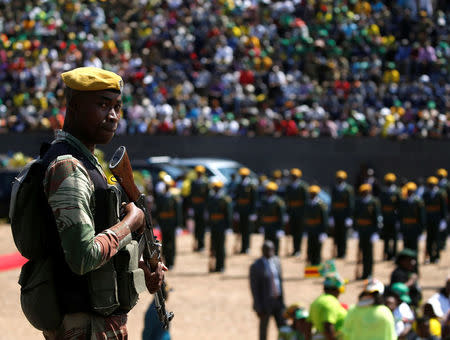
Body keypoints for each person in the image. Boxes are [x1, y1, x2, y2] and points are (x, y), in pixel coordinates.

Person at [41, 67, 165, 338]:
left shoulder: (86, 163)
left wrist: (140, 270)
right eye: (102, 105)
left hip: (97, 323)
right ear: (73, 106)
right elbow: (82, 257)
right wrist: (131, 222)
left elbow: (97, 247)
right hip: (83, 326)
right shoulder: (68, 167)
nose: (113, 116)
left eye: (117, 107)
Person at [250, 240, 286, 340]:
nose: (270, 251)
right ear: (262, 251)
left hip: (277, 301)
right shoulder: (256, 266)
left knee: (283, 327)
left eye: (271, 249)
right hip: (265, 303)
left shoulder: (277, 262)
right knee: (263, 331)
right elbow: (254, 289)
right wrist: (258, 306)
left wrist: (283, 302)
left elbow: (280, 283)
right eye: (267, 249)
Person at [353, 183, 382, 280]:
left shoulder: (374, 202)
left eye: (366, 192)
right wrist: (355, 229)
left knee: (369, 254)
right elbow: (355, 216)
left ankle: (369, 273)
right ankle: (363, 273)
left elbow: (377, 217)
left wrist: (375, 232)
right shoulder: (358, 202)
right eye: (363, 192)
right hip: (361, 230)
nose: (364, 194)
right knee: (361, 252)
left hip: (370, 230)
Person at [154, 175, 182, 269]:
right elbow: (157, 211)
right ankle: (166, 260)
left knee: (171, 243)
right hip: (163, 222)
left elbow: (178, 212)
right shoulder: (160, 197)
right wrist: (157, 222)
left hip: (171, 222)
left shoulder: (174, 198)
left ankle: (171, 261)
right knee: (165, 243)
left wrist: (178, 225)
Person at [308, 273, 347, 340]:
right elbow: (328, 326)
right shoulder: (331, 302)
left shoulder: (317, 301)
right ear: (336, 289)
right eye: (341, 289)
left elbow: (308, 325)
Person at [207, 180, 232, 272]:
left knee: (221, 247)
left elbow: (228, 214)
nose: (216, 189)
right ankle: (215, 266)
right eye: (215, 187)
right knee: (213, 246)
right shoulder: (211, 198)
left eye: (217, 188)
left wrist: (228, 227)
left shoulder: (225, 199)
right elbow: (209, 213)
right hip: (214, 225)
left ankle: (220, 266)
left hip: (221, 225)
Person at [329, 170, 354, 259]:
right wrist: (331, 216)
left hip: (344, 216)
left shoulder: (348, 189)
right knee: (336, 234)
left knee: (343, 235)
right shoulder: (334, 188)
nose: (339, 180)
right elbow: (332, 203)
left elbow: (350, 204)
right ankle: (337, 252)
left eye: (341, 179)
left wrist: (349, 217)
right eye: (338, 178)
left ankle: (342, 252)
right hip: (336, 215)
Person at [422, 176, 447, 263]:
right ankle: (428, 256)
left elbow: (443, 207)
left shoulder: (440, 194)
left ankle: (436, 256)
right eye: (430, 184)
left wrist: (443, 220)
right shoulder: (426, 194)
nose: (431, 186)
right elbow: (423, 208)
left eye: (432, 184)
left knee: (437, 239)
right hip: (429, 219)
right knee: (429, 239)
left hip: (437, 219)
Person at [258, 181, 287, 255]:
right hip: (267, 225)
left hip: (275, 226)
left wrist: (280, 228)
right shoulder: (264, 200)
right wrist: (261, 225)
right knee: (267, 242)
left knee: (275, 243)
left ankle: (275, 256)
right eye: (268, 190)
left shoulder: (278, 202)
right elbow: (261, 214)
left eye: (270, 191)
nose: (269, 192)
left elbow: (281, 216)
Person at [285, 168, 308, 257]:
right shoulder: (289, 187)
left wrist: (305, 213)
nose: (294, 178)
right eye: (293, 176)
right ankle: (294, 249)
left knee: (299, 232)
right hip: (292, 213)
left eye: (295, 176)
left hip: (300, 213)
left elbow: (305, 201)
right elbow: (287, 201)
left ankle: (298, 249)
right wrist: (287, 213)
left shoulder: (303, 187)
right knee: (293, 232)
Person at [234, 167, 258, 254]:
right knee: (241, 229)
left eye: (244, 176)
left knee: (247, 230)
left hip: (248, 211)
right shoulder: (239, 185)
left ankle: (247, 247)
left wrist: (253, 213)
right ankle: (242, 248)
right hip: (241, 210)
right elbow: (236, 199)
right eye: (242, 176)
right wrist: (236, 211)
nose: (242, 177)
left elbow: (254, 200)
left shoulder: (251, 186)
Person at [303, 185, 328, 266]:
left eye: (314, 194)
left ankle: (317, 265)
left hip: (318, 230)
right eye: (311, 194)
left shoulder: (321, 205)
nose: (312, 195)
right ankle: (311, 266)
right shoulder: (307, 204)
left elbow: (324, 219)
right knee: (310, 248)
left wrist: (323, 232)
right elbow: (305, 218)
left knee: (317, 248)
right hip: (310, 229)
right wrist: (305, 229)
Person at [398, 182, 426, 252]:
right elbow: (400, 215)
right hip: (405, 226)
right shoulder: (403, 201)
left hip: (414, 227)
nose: (409, 192)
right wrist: (399, 225)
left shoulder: (418, 202)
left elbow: (421, 216)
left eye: (411, 191)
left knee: (414, 245)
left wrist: (422, 228)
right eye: (408, 190)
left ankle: (414, 261)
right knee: (406, 245)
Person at [379, 173, 401, 260]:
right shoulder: (383, 191)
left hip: (394, 217)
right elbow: (380, 204)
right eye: (388, 182)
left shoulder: (397, 192)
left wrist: (399, 217)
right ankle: (386, 254)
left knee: (394, 237)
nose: (389, 183)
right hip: (385, 216)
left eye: (390, 182)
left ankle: (394, 254)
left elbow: (400, 205)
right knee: (386, 237)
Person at [189, 165, 209, 251]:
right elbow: (191, 196)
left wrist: (206, 209)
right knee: (196, 227)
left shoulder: (205, 183)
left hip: (202, 207)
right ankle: (197, 243)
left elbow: (207, 197)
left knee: (202, 227)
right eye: (198, 173)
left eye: (200, 173)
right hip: (195, 206)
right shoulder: (193, 182)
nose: (199, 174)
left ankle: (202, 244)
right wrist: (191, 207)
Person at [436, 168, 450, 251]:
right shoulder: (436, 184)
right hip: (438, 208)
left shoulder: (447, 185)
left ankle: (443, 243)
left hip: (446, 208)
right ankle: (439, 242)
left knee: (445, 226)